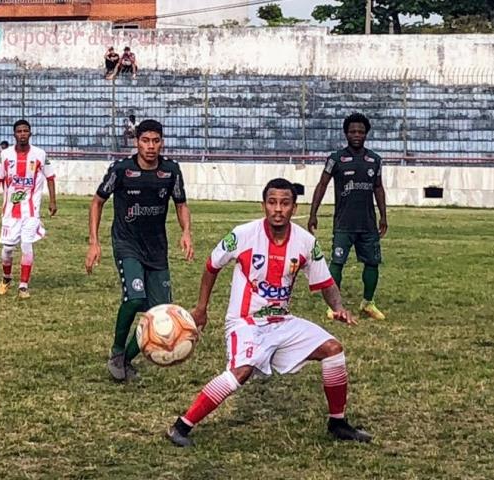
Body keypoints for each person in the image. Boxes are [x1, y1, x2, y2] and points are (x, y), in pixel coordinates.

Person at [166, 178, 372, 448]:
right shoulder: (243, 234)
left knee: (333, 349)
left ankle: (338, 423)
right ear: (263, 205)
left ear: (294, 207)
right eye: (272, 202)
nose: (278, 209)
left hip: (281, 321)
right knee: (242, 371)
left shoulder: (306, 242)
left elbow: (325, 282)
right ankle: (181, 426)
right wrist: (201, 308)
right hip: (245, 322)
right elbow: (211, 266)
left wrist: (338, 308)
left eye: (285, 203)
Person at [85, 119, 194, 382]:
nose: (150, 146)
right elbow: (97, 202)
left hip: (157, 248)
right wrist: (94, 242)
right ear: (137, 142)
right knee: (135, 297)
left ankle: (126, 361)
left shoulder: (171, 171)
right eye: (145, 141)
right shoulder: (122, 169)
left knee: (159, 312)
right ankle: (117, 351)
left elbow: (181, 204)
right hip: (127, 243)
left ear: (162, 143)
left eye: (156, 141)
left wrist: (186, 232)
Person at [308, 113, 388, 321]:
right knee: (337, 262)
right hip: (344, 222)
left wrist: (383, 216)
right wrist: (313, 213)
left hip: (368, 223)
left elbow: (378, 188)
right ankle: (334, 306)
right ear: (345, 133)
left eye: (361, 132)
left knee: (372, 263)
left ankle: (368, 303)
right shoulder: (336, 159)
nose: (356, 135)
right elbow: (322, 185)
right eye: (352, 131)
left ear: (366, 134)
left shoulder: (375, 160)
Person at [0, 119, 57, 299]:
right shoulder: (5, 155)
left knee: (27, 245)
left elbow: (50, 177)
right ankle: (6, 277)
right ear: (14, 134)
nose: (22, 134)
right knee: (7, 249)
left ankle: (23, 285)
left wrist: (52, 201)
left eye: (25, 131)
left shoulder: (40, 154)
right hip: (10, 211)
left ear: (30, 133)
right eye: (19, 131)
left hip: (31, 211)